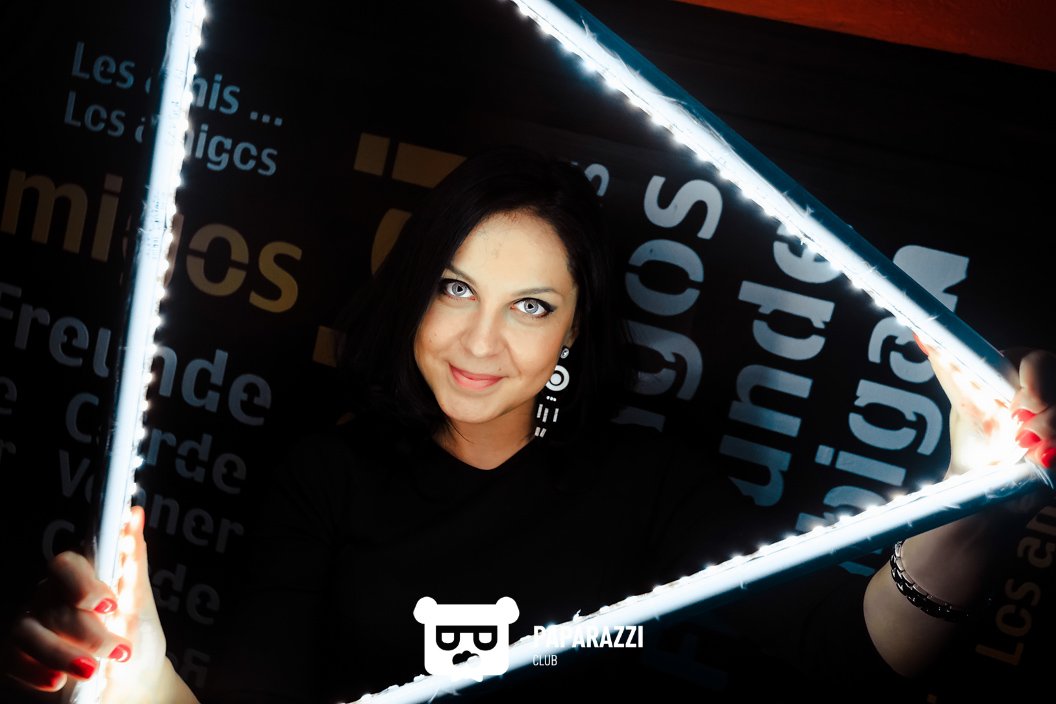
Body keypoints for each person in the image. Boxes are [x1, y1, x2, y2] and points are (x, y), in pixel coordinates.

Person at [2, 146, 1054, 703]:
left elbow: (857, 655)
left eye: (531, 306)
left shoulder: (647, 483)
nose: (481, 341)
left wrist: (979, 507)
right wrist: (142, 686)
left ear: (576, 332)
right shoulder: (328, 473)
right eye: (456, 288)